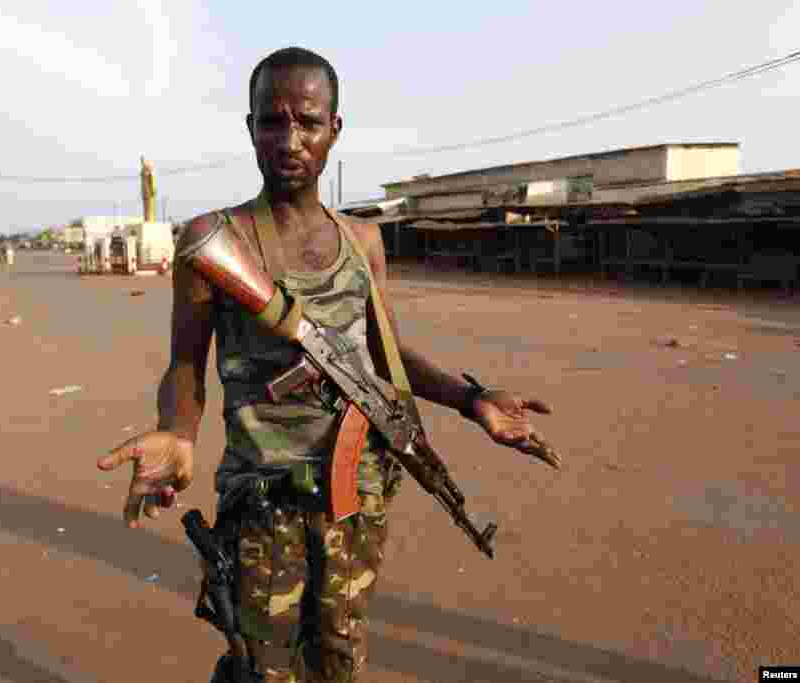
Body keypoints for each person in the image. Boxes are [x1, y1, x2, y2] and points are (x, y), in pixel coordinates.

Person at [98, 47, 561, 682]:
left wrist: (471, 400)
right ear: (251, 127)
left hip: (355, 502)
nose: (290, 139)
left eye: (308, 122)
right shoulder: (214, 242)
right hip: (263, 505)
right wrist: (178, 431)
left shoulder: (361, 240)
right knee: (261, 668)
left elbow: (386, 358)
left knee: (338, 663)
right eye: (272, 120)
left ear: (334, 130)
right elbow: (186, 362)